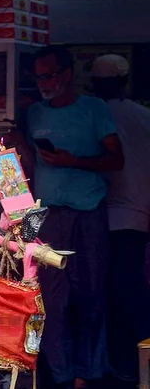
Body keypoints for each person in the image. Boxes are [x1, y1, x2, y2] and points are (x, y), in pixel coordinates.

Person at [22, 46, 124, 389]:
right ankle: (61, 373)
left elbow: (116, 160)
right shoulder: (34, 113)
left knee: (90, 293)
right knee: (52, 298)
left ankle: (88, 372)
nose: (43, 83)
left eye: (49, 75)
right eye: (38, 77)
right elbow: (25, 161)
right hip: (47, 215)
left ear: (68, 74)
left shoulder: (93, 110)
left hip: (88, 213)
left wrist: (74, 161)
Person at [89, 54, 150, 383]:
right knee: (131, 290)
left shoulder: (92, 114)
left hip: (106, 216)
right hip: (138, 216)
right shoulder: (144, 116)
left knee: (116, 294)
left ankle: (126, 367)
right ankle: (133, 367)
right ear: (125, 82)